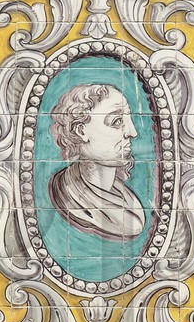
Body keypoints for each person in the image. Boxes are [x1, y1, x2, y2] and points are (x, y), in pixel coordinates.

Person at [47, 82, 147, 242]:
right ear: (81, 131)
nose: (132, 132)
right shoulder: (66, 191)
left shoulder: (125, 196)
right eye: (117, 121)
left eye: (128, 119)